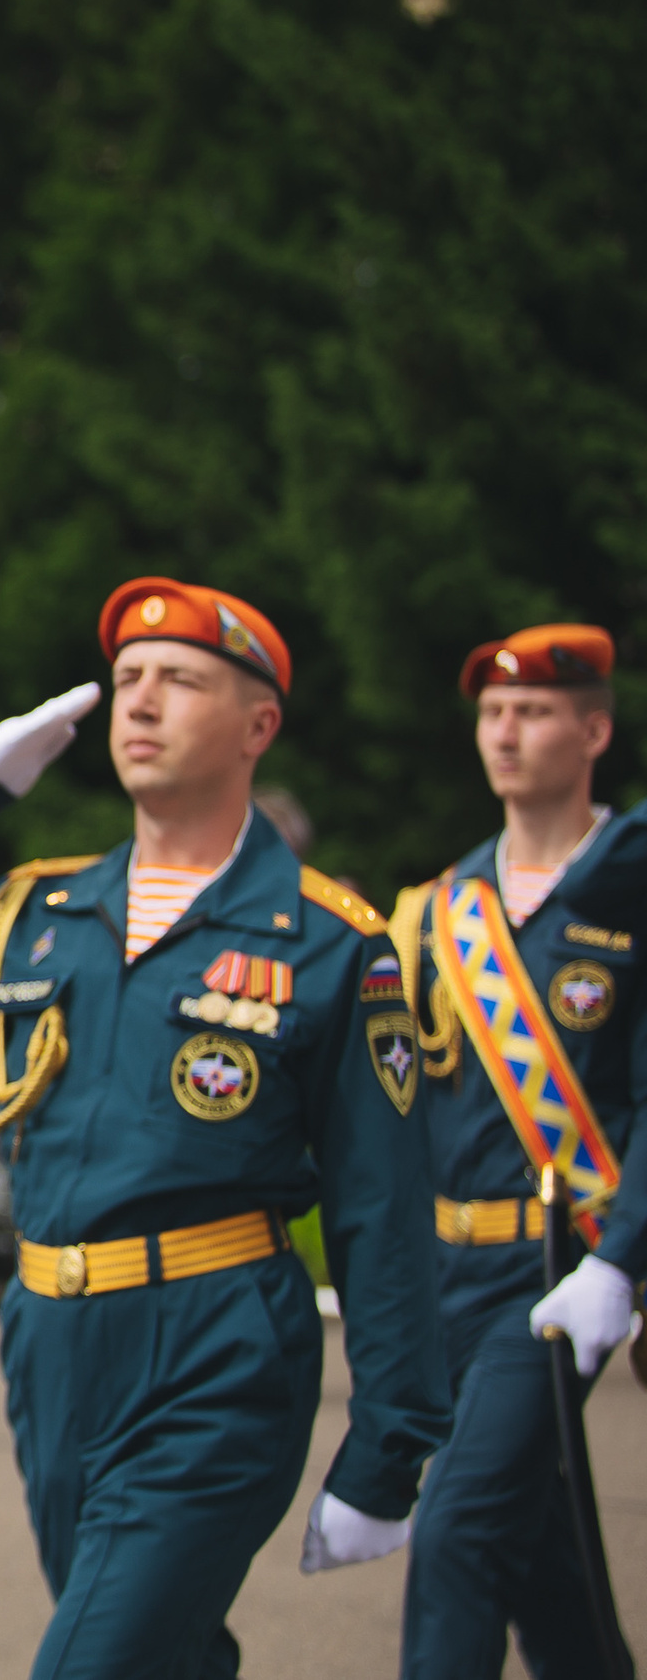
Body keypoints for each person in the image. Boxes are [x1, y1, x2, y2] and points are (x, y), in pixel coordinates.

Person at [0, 577, 449, 1680]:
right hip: (50, 1339)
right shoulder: (36, 915)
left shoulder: (331, 944)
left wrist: (390, 1443)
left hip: (217, 1344)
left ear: (257, 726)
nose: (139, 702)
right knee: (164, 1656)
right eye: (128, 680)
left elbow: (380, 1208)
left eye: (179, 681)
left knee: (91, 1663)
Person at [395, 623, 643, 1679]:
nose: (504, 731)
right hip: (445, 1275)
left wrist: (621, 1261)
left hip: (558, 1270)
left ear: (592, 729)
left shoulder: (630, 891)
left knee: (455, 1532)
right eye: (492, 713)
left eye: (533, 711)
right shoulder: (434, 911)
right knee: (542, 1549)